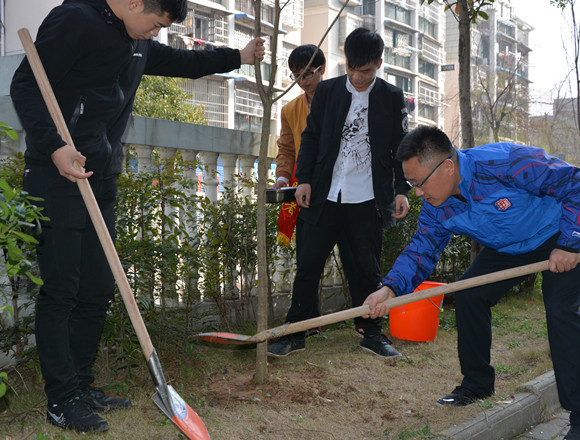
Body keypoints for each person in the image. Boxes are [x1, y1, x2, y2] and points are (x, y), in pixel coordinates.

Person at [10, 0, 264, 433]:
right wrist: (55, 147)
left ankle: (82, 384)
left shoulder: (137, 39)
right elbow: (25, 87)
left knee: (97, 285)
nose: (155, 33)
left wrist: (237, 57)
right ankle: (61, 398)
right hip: (58, 177)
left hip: (101, 175)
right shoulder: (76, 20)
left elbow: (184, 62)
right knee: (62, 288)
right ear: (133, 3)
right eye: (156, 23)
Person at [363, 126, 580, 440]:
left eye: (419, 183)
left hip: (560, 232)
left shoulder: (505, 163)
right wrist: (389, 289)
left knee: (561, 312)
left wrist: (570, 242)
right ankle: (477, 385)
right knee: (469, 295)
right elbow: (421, 250)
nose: (418, 194)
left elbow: (577, 184)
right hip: (510, 247)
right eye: (411, 185)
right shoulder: (437, 208)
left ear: (447, 166)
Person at [267, 28, 410, 359]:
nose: (357, 78)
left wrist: (401, 190)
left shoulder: (391, 96)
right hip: (324, 196)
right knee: (308, 265)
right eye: (351, 69)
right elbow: (311, 137)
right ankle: (295, 333)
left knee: (367, 268)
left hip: (367, 199)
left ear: (379, 64)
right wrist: (303, 180)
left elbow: (399, 149)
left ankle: (372, 333)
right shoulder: (328, 91)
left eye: (365, 71)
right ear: (344, 63)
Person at [271, 44, 361, 340]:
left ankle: (365, 321)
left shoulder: (347, 98)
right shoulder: (290, 109)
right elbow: (286, 148)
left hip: (347, 192)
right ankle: (306, 322)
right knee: (307, 261)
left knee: (358, 259)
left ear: (322, 69)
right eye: (295, 75)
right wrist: (283, 177)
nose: (301, 80)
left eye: (307, 73)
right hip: (309, 194)